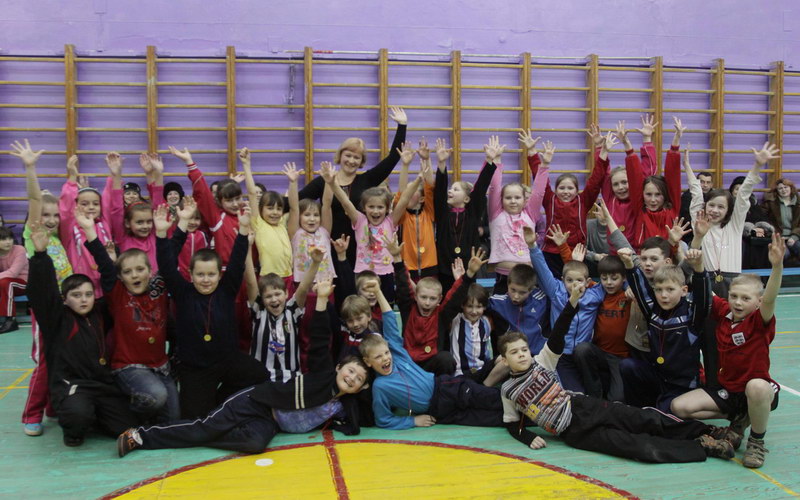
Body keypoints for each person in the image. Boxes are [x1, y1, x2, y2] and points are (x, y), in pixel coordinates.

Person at [117, 280, 371, 457]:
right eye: (350, 371)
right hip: (257, 401)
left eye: (358, 378)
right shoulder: (323, 376)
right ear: (338, 367)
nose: (352, 378)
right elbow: (320, 340)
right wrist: (323, 299)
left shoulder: (342, 407)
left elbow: (369, 414)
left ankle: (205, 434)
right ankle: (139, 436)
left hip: (269, 423)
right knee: (203, 428)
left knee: (254, 444)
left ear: (362, 386)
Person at [498, 284, 735, 463]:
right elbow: (511, 422)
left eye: (524, 349)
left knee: (643, 419)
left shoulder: (542, 362)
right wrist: (526, 437)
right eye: (514, 352)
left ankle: (708, 431)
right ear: (505, 360)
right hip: (572, 432)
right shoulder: (508, 390)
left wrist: (572, 302)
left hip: (582, 407)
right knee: (636, 447)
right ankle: (703, 447)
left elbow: (559, 331)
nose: (522, 355)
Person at [671, 233, 784, 468]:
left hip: (757, 391)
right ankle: (737, 421)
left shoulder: (759, 321)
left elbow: (771, 298)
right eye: (734, 296)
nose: (738, 302)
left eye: (746, 298)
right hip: (729, 393)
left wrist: (777, 266)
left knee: (757, 386)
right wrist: (696, 261)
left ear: (758, 302)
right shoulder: (724, 312)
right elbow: (705, 289)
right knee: (679, 407)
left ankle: (756, 441)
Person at [26, 221, 138, 447]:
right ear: (65, 299)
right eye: (76, 295)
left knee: (127, 426)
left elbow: (111, 284)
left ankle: (96, 416)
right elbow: (42, 292)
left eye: (88, 294)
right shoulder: (56, 319)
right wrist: (40, 255)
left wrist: (111, 263)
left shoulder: (100, 312)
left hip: (102, 385)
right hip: (72, 385)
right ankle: (75, 427)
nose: (84, 300)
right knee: (77, 419)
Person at [154, 203, 268, 419]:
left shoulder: (226, 289)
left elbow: (236, 262)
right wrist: (162, 233)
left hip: (227, 361)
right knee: (195, 419)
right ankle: (209, 403)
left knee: (260, 374)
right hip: (195, 369)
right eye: (200, 275)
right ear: (190, 274)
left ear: (219, 274)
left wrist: (243, 229)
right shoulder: (183, 292)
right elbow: (167, 266)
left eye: (211, 275)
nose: (205, 280)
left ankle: (221, 400)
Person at [76, 205, 177, 423]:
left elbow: (171, 255)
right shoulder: (118, 293)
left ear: (150, 272)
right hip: (128, 367)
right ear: (120, 277)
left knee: (173, 420)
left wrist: (163, 231)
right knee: (156, 397)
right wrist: (89, 230)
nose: (135, 275)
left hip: (161, 367)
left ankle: (145, 412)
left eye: (140, 270)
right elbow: (104, 262)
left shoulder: (158, 289)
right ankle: (122, 412)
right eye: (128, 272)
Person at [360, 281, 503, 430]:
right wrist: (413, 421)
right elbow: (383, 420)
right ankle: (517, 420)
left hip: (444, 387)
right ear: (367, 362)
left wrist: (378, 291)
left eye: (386, 353)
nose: (385, 358)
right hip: (436, 411)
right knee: (485, 418)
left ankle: (518, 401)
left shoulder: (397, 357)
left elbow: (389, 319)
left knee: (488, 398)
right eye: (378, 357)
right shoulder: (380, 386)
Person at [12, 139, 73, 436]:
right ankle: (32, 413)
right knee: (45, 362)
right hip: (44, 311)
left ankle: (51, 406)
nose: (50, 220)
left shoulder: (60, 240)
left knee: (62, 358)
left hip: (64, 308)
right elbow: (35, 199)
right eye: (45, 215)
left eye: (54, 215)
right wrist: (30, 168)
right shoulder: (34, 235)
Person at [298, 106, 408, 265]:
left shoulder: (367, 180)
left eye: (356, 157)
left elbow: (393, 158)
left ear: (361, 161)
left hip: (362, 247)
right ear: (340, 156)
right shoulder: (324, 181)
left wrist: (402, 126)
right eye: (348, 155)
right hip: (332, 245)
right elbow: (296, 201)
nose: (351, 161)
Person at [618, 245, 711, 413]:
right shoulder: (653, 311)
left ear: (684, 291)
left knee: (662, 417)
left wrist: (699, 268)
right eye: (659, 290)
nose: (664, 295)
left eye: (670, 289)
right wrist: (629, 264)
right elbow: (641, 291)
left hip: (682, 385)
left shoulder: (691, 316)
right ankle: (636, 410)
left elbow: (703, 298)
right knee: (627, 366)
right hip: (659, 377)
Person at [322, 160, 422, 303]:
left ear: (387, 209)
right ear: (364, 208)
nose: (375, 211)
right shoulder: (360, 220)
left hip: (386, 273)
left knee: (385, 306)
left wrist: (418, 180)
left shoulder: (391, 221)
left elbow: (404, 200)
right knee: (362, 306)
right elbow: (345, 201)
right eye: (371, 207)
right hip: (363, 273)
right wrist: (332, 183)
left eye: (380, 207)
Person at [390, 236, 485, 376]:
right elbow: (403, 287)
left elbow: (455, 297)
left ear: (439, 299)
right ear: (416, 296)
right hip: (409, 364)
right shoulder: (408, 310)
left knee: (446, 359)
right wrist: (397, 258)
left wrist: (469, 273)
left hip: (432, 365)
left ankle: (441, 386)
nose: (427, 302)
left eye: (432, 298)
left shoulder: (441, 314)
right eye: (423, 297)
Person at [527, 226, 606, 392]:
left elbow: (613, 280)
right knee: (575, 394)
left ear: (588, 282)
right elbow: (542, 269)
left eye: (579, 280)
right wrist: (533, 246)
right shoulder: (557, 292)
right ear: (563, 280)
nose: (574, 284)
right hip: (562, 355)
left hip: (584, 355)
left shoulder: (595, 295)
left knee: (592, 391)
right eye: (569, 280)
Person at [522, 131, 608, 278]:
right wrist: (531, 151)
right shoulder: (550, 200)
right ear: (555, 190)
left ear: (577, 190)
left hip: (577, 252)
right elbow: (539, 178)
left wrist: (602, 151)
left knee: (574, 284)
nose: (566, 192)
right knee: (552, 285)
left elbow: (596, 180)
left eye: (570, 188)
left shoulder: (583, 201)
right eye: (562, 188)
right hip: (551, 252)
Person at [244, 239, 323, 383]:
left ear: (286, 293)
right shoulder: (259, 311)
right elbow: (250, 282)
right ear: (262, 298)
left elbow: (303, 288)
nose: (274, 300)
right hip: (260, 377)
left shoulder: (292, 311)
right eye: (268, 296)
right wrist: (248, 247)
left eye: (277, 294)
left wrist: (316, 262)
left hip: (290, 378)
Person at [487, 134, 548, 291]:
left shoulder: (530, 215)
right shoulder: (496, 214)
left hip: (527, 273)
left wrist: (544, 165)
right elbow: (494, 188)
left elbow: (539, 192)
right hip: (503, 275)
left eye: (517, 197)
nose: (513, 201)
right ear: (501, 200)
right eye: (508, 198)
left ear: (525, 200)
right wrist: (497, 160)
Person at [434, 137, 496, 292]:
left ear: (467, 199)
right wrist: (441, 163)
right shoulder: (443, 213)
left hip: (468, 266)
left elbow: (480, 188)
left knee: (466, 296)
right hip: (444, 267)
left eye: (456, 189)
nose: (450, 191)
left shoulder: (472, 213)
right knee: (447, 299)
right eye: (451, 189)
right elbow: (440, 190)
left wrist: (489, 160)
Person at [572, 255, 630, 401]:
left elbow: (641, 283)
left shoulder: (628, 295)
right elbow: (575, 280)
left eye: (614, 278)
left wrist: (631, 286)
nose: (609, 282)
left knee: (618, 399)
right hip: (599, 352)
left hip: (620, 357)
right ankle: (595, 398)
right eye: (604, 278)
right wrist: (575, 261)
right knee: (582, 349)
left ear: (624, 278)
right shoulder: (596, 292)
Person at [597, 117, 659, 248]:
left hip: (638, 252)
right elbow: (601, 172)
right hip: (615, 252)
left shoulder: (639, 198)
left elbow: (648, 171)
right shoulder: (610, 198)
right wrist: (600, 149)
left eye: (625, 182)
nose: (621, 187)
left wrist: (647, 139)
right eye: (616, 184)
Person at [624, 117, 685, 250]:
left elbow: (673, 176)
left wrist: (676, 141)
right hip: (643, 259)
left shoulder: (672, 209)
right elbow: (634, 176)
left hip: (669, 259)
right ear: (642, 194)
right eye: (648, 194)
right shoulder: (640, 209)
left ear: (665, 195)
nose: (653, 200)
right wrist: (627, 145)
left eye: (658, 194)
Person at [59, 154, 114, 297]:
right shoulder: (70, 228)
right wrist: (72, 177)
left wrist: (113, 175)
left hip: (105, 286)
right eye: (84, 204)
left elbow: (109, 198)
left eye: (95, 204)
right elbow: (65, 208)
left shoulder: (104, 224)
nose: (91, 207)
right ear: (76, 206)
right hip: (80, 289)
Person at [239, 148, 292, 286]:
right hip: (269, 278)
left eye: (278, 209)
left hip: (288, 276)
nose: (275, 212)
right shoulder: (259, 223)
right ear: (260, 209)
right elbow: (252, 193)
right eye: (270, 208)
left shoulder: (282, 223)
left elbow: (294, 206)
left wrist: (293, 182)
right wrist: (246, 165)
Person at [107, 153, 165, 272]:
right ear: (127, 223)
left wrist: (158, 173)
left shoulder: (154, 234)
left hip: (154, 282)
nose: (145, 226)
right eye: (139, 222)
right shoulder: (123, 237)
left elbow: (158, 204)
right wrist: (117, 175)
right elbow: (117, 210)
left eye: (149, 222)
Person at [395, 143, 437, 280]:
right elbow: (401, 194)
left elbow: (429, 186)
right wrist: (405, 165)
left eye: (412, 191)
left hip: (430, 267)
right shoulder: (402, 216)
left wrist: (426, 159)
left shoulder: (429, 212)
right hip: (408, 269)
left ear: (422, 198)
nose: (407, 194)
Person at [488, 263, 548, 356]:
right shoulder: (497, 302)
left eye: (522, 292)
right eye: (513, 290)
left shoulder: (542, 299)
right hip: (512, 357)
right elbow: (472, 301)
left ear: (531, 290)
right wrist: (469, 275)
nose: (516, 296)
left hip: (539, 357)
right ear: (507, 284)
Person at [763, 177, 800, 261]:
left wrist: (794, 237)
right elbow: (764, 219)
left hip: (795, 236)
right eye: (780, 188)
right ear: (777, 191)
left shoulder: (798, 203)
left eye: (785, 187)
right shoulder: (770, 203)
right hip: (778, 237)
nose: (783, 190)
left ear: (791, 188)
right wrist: (774, 235)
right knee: (783, 255)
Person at [0, 226, 28, 334]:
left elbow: (13, 273)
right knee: (5, 282)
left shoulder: (19, 250)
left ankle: (10, 320)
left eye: (10, 238)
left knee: (7, 282)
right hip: (4, 284)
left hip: (24, 283)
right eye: (3, 239)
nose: (8, 242)